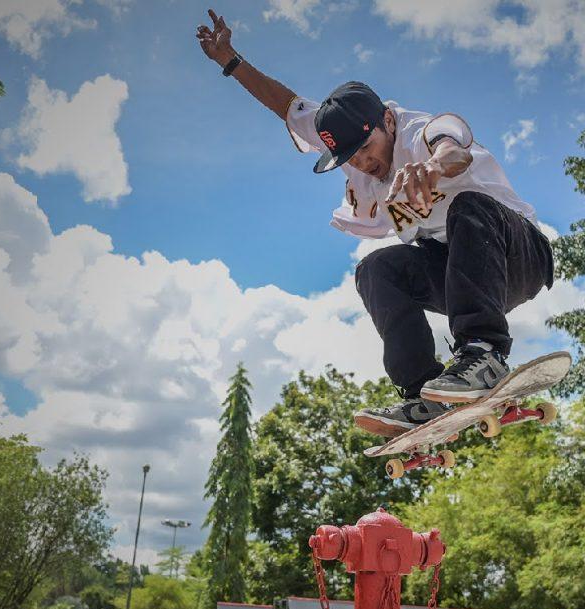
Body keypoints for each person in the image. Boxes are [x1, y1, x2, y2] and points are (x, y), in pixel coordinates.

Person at [197, 9, 554, 437]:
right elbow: (286, 106)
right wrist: (230, 61)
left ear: (387, 120)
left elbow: (454, 145)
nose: (365, 163)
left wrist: (433, 167)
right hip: (459, 276)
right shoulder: (344, 136)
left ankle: (484, 353)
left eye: (368, 148)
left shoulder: (421, 132)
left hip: (518, 256)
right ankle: (422, 394)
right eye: (352, 158)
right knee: (375, 269)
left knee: (468, 206)